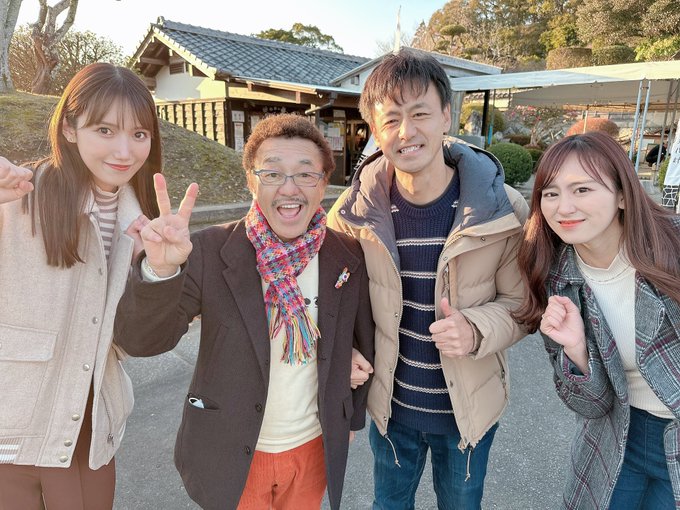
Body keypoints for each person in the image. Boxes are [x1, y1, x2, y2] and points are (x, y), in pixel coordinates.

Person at [113, 113, 375, 510]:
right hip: (231, 449)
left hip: (311, 450)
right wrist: (160, 271)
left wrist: (351, 419)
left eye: (305, 174)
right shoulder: (210, 250)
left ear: (324, 182)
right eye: (272, 173)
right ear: (252, 182)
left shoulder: (346, 254)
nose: (289, 188)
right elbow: (143, 341)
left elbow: (360, 340)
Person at [329, 48, 529, 509]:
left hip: (467, 414)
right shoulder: (353, 213)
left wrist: (475, 328)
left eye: (420, 113)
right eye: (391, 119)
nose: (407, 131)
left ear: (445, 116)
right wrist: (345, 349)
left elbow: (522, 305)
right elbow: (330, 298)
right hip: (391, 411)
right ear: (374, 129)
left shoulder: (502, 210)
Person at [0, 63, 161, 509]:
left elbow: (132, 341)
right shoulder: (18, 197)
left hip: (88, 431)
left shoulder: (144, 223)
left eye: (139, 134)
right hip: (11, 429)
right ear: (70, 129)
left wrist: (158, 272)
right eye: (105, 130)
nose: (124, 151)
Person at [514, 131, 680, 509]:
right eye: (551, 193)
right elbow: (591, 405)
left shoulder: (671, 247)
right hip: (615, 437)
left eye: (582, 189)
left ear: (622, 195)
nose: (564, 207)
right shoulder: (555, 277)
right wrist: (577, 352)